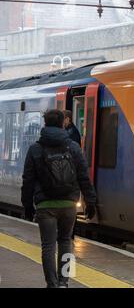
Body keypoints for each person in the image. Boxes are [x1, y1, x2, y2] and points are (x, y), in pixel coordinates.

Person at [21, 109, 97, 288]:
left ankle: (52, 284)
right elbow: (83, 177)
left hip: (45, 206)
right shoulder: (73, 147)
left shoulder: (35, 149)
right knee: (66, 242)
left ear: (45, 124)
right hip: (69, 204)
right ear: (63, 123)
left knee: (48, 246)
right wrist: (90, 201)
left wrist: (27, 206)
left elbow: (28, 180)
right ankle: (65, 282)